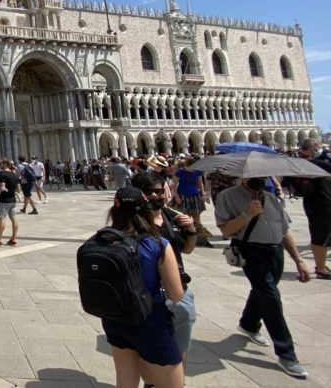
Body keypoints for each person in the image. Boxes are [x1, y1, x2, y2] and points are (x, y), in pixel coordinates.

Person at [215, 176, 311, 378]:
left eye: (263, 175)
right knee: (270, 297)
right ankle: (287, 353)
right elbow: (225, 229)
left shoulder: (272, 198)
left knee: (264, 291)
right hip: (250, 251)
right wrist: (247, 214)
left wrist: (298, 259)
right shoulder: (227, 197)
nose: (259, 178)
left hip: (275, 252)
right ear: (243, 175)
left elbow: (284, 231)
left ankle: (248, 324)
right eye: (254, 175)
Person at [100, 187, 185, 388]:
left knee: (125, 379)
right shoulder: (157, 243)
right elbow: (176, 294)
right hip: (150, 321)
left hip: (115, 320)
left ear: (114, 210)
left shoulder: (101, 241)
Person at [133, 170, 198, 359]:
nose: (155, 195)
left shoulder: (173, 217)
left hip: (178, 288)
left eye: (159, 191)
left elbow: (186, 249)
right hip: (147, 293)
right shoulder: (132, 221)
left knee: (180, 346)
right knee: (149, 346)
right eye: (148, 191)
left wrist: (191, 231)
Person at [295, 138, 331, 278]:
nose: (319, 150)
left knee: (320, 234)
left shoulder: (298, 163)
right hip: (321, 204)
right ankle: (321, 268)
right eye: (318, 147)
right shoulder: (312, 163)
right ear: (312, 148)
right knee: (320, 235)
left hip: (313, 203)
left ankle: (321, 266)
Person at [171, 158, 212, 248]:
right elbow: (173, 184)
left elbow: (200, 183)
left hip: (195, 196)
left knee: (197, 219)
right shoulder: (179, 172)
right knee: (187, 218)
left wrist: (202, 194)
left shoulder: (198, 171)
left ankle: (202, 239)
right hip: (184, 196)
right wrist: (177, 196)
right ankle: (187, 238)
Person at [0, 159, 20, 247]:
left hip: (4, 199)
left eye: (0, 163)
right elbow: (18, 189)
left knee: (1, 219)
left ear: (5, 164)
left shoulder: (2, 174)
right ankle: (14, 238)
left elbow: (2, 187)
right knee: (14, 218)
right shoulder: (14, 174)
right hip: (13, 200)